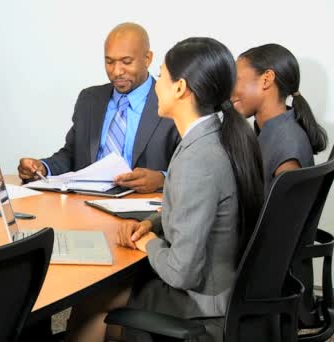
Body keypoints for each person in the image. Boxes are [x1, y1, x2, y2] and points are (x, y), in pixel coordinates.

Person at [65, 37, 264, 342]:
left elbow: (181, 272)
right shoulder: (218, 135)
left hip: (200, 305)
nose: (156, 86)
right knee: (103, 296)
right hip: (225, 290)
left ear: (181, 88)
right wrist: (152, 223)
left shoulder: (197, 158)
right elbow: (201, 209)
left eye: (162, 75)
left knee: (92, 307)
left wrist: (147, 242)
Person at [18, 23, 180, 194]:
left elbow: (195, 170)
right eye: (109, 62)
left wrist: (162, 179)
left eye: (126, 62)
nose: (117, 71)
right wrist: (43, 167)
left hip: (144, 210)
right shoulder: (90, 100)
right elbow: (72, 155)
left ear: (147, 59)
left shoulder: (171, 101)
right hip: (86, 204)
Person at [232, 43, 328, 192]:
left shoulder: (287, 146)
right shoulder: (275, 130)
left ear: (266, 79)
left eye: (236, 80)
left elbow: (285, 215)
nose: (229, 90)